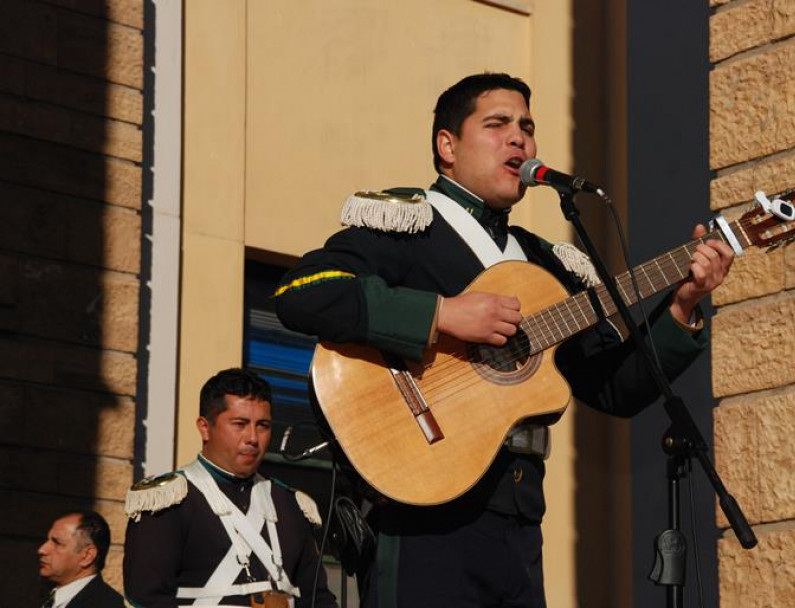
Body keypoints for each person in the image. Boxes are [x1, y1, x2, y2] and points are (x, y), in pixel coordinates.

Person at [274, 72, 734, 607]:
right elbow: (302, 293)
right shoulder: (408, 227)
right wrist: (441, 313)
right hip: (422, 512)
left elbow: (614, 388)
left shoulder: (545, 262)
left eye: (527, 126)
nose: (519, 138)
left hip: (518, 519)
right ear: (447, 145)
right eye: (497, 124)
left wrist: (682, 305)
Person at [123, 368, 337, 608]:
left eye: (263, 425)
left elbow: (318, 599)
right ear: (205, 428)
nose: (253, 438)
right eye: (240, 424)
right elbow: (146, 596)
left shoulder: (291, 505)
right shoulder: (169, 501)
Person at [37, 511, 124, 608]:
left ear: (87, 556)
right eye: (47, 540)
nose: (42, 550)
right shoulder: (45, 597)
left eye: (57, 543)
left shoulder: (109, 604)